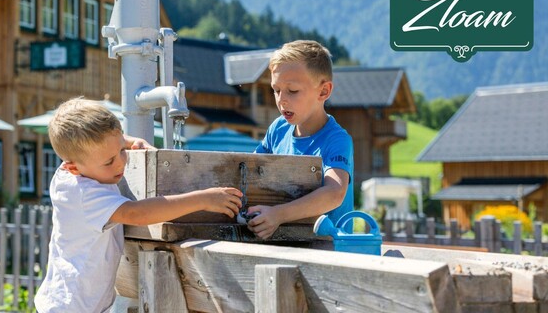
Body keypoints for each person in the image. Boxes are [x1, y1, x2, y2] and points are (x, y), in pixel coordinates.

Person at [34, 97, 242, 313]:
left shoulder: (73, 168)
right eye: (109, 161)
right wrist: (202, 199)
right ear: (74, 168)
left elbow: (110, 143)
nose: (121, 162)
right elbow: (136, 213)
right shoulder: (85, 195)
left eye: (121, 151)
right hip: (72, 307)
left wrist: (132, 142)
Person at [248, 40, 354, 239]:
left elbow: (334, 193)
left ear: (323, 91)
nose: (281, 100)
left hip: (332, 251)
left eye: (293, 91)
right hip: (287, 245)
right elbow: (250, 169)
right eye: (276, 90)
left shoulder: (338, 140)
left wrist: (278, 214)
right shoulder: (278, 129)